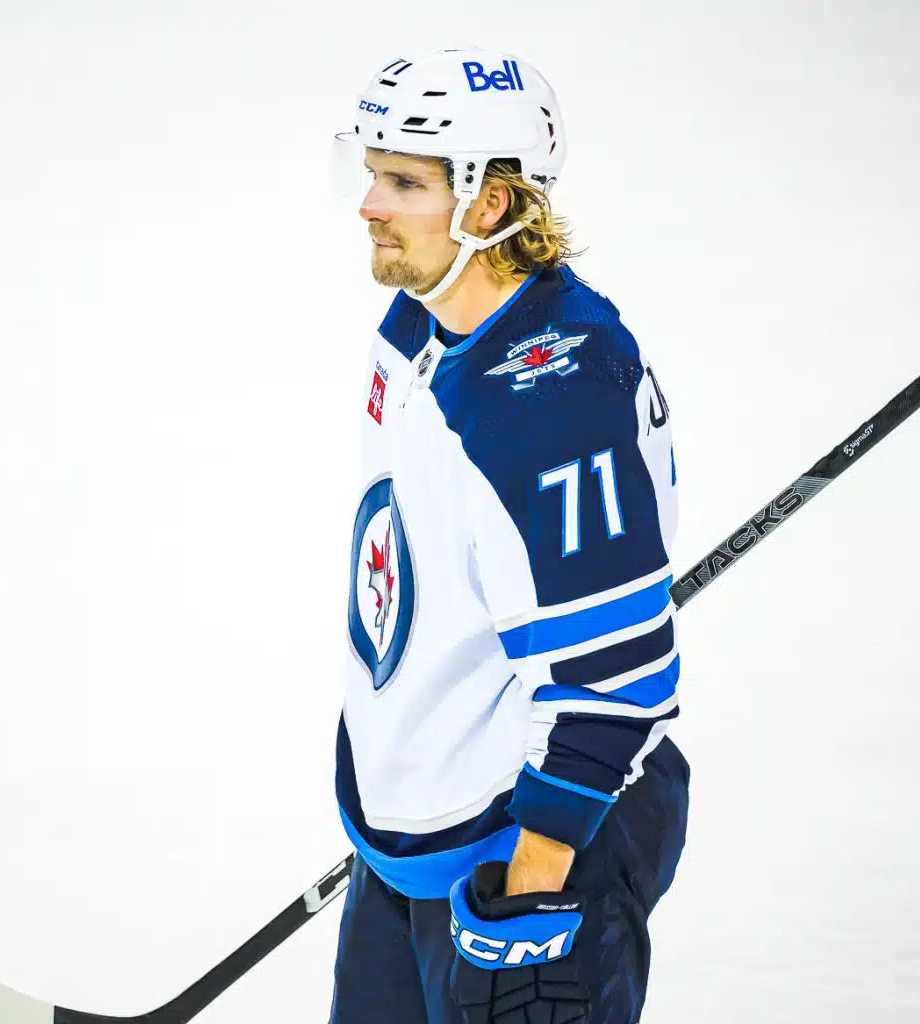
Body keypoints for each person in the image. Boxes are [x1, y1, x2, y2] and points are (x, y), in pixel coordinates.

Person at [330, 49, 691, 1024]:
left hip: (527, 860)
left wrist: (530, 893)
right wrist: (396, 792)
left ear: (489, 203)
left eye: (404, 183)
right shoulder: (417, 326)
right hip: (419, 837)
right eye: (371, 171)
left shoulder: (552, 396)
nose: (368, 204)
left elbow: (616, 680)